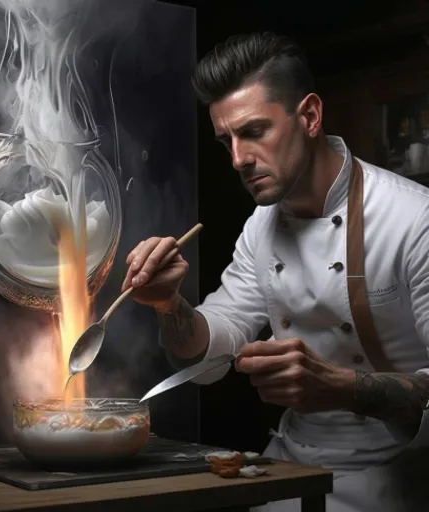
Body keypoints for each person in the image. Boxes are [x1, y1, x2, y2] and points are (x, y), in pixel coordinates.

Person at [122, 31, 429, 512]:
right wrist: (168, 304)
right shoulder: (260, 228)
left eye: (254, 131)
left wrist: (345, 388)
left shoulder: (414, 220)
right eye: (226, 141)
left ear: (309, 116)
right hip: (289, 462)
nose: (238, 159)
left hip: (395, 471)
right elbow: (210, 349)